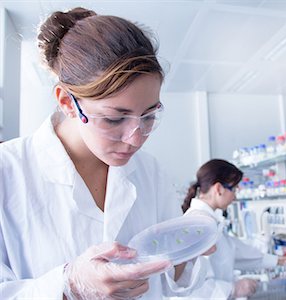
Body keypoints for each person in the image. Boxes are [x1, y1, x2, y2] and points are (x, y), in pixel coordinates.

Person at [0, 7, 209, 299]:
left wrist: (188, 250)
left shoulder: (150, 172)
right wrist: (69, 285)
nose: (135, 139)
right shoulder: (7, 171)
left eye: (148, 116)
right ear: (67, 102)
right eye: (114, 119)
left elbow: (172, 278)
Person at [181, 159, 286, 299]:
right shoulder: (199, 224)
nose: (235, 196)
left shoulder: (210, 221)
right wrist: (233, 289)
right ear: (218, 189)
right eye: (234, 189)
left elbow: (237, 252)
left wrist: (283, 262)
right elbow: (191, 285)